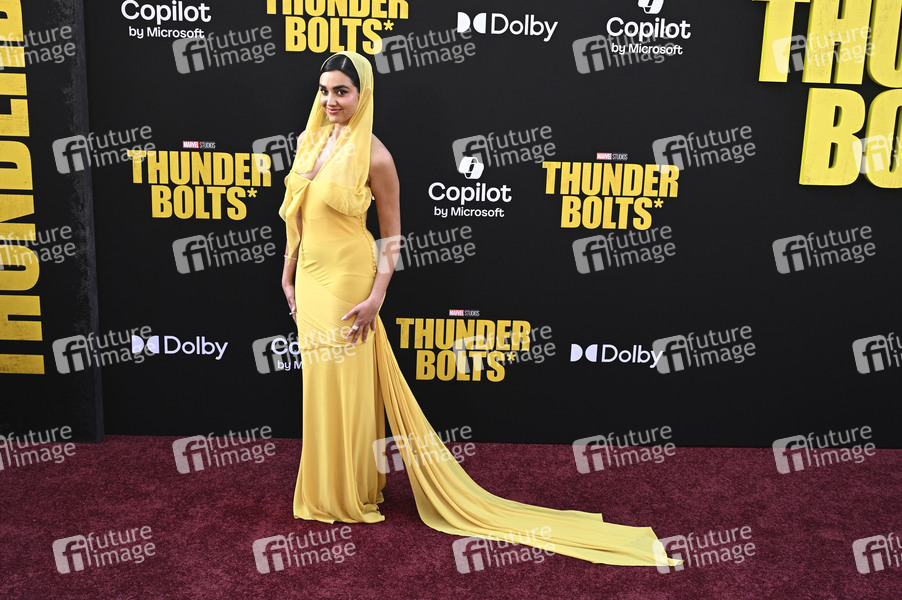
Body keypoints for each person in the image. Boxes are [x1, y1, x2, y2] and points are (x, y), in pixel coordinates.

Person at [279, 51, 678, 567]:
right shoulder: (308, 141)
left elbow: (392, 235)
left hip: (347, 281)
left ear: (363, 95)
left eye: (342, 91)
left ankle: (348, 493)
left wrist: (377, 295)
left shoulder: (376, 157)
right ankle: (325, 485)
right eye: (325, 90)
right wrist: (287, 274)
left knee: (346, 385)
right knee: (319, 382)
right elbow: (296, 216)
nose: (331, 101)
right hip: (309, 279)